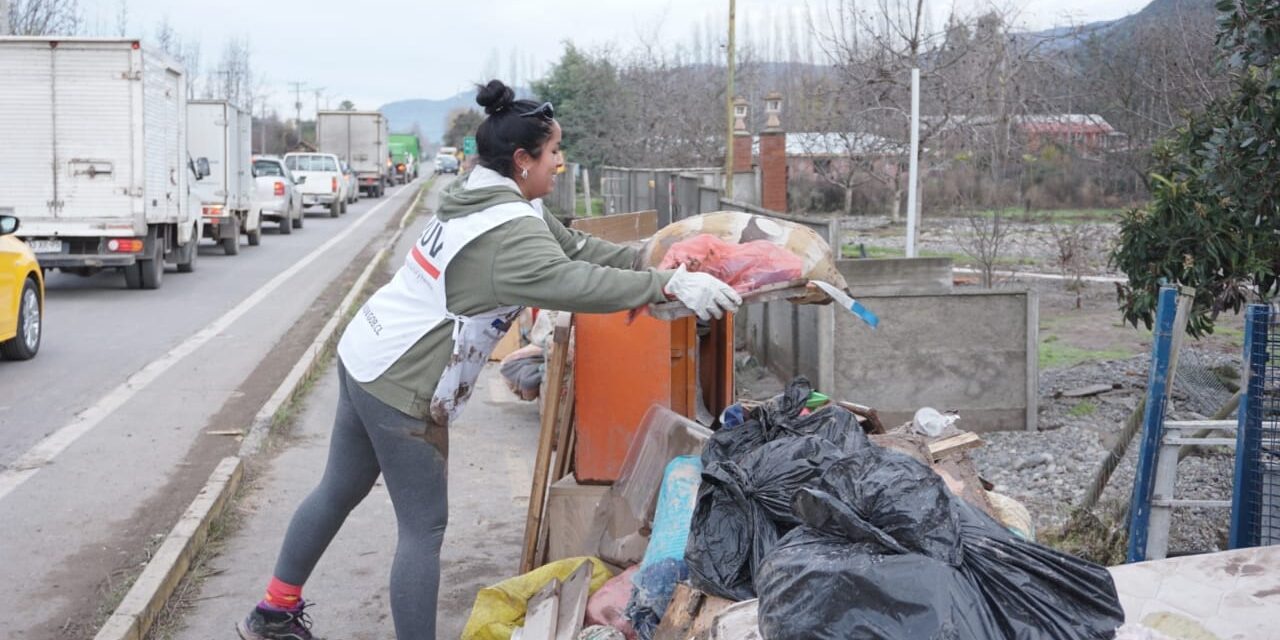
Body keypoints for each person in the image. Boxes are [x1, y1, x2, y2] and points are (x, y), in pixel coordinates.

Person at [236, 79, 741, 640]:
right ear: (523, 160)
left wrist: (651, 258)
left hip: (367, 351)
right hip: (402, 378)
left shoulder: (489, 194)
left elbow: (575, 248)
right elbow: (573, 282)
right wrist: (665, 287)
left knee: (338, 488)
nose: (561, 163)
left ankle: (274, 611)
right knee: (423, 528)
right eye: (553, 152)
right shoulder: (509, 232)